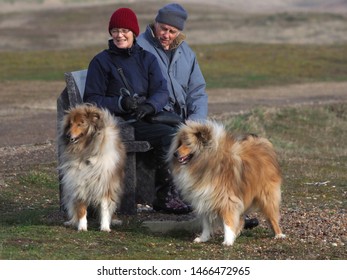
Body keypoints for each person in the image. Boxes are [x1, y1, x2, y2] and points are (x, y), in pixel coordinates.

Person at [137, 3, 259, 228]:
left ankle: (224, 203)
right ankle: (169, 194)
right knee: (174, 137)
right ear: (155, 23)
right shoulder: (140, 47)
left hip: (183, 119)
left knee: (215, 142)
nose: (167, 35)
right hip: (154, 118)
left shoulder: (186, 52)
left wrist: (197, 120)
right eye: (163, 28)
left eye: (173, 31)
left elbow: (197, 91)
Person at [83, 7, 191, 215]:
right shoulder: (101, 61)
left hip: (143, 118)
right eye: (115, 30)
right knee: (169, 136)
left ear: (134, 32)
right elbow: (92, 100)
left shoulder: (146, 59)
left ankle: (182, 191)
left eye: (124, 30)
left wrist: (150, 106)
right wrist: (121, 104)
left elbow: (161, 90)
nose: (119, 35)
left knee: (183, 133)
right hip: (117, 125)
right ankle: (164, 196)